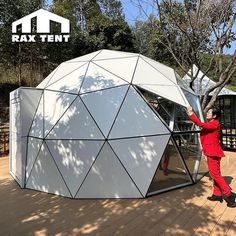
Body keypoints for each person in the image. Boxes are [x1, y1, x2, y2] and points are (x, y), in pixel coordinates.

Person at [187, 106, 236, 208]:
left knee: (215, 175)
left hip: (213, 153)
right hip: (212, 152)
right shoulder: (212, 123)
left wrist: (191, 114)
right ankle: (217, 194)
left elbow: (200, 124)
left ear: (214, 115)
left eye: (209, 112)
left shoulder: (214, 123)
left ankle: (229, 195)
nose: (207, 113)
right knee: (216, 174)